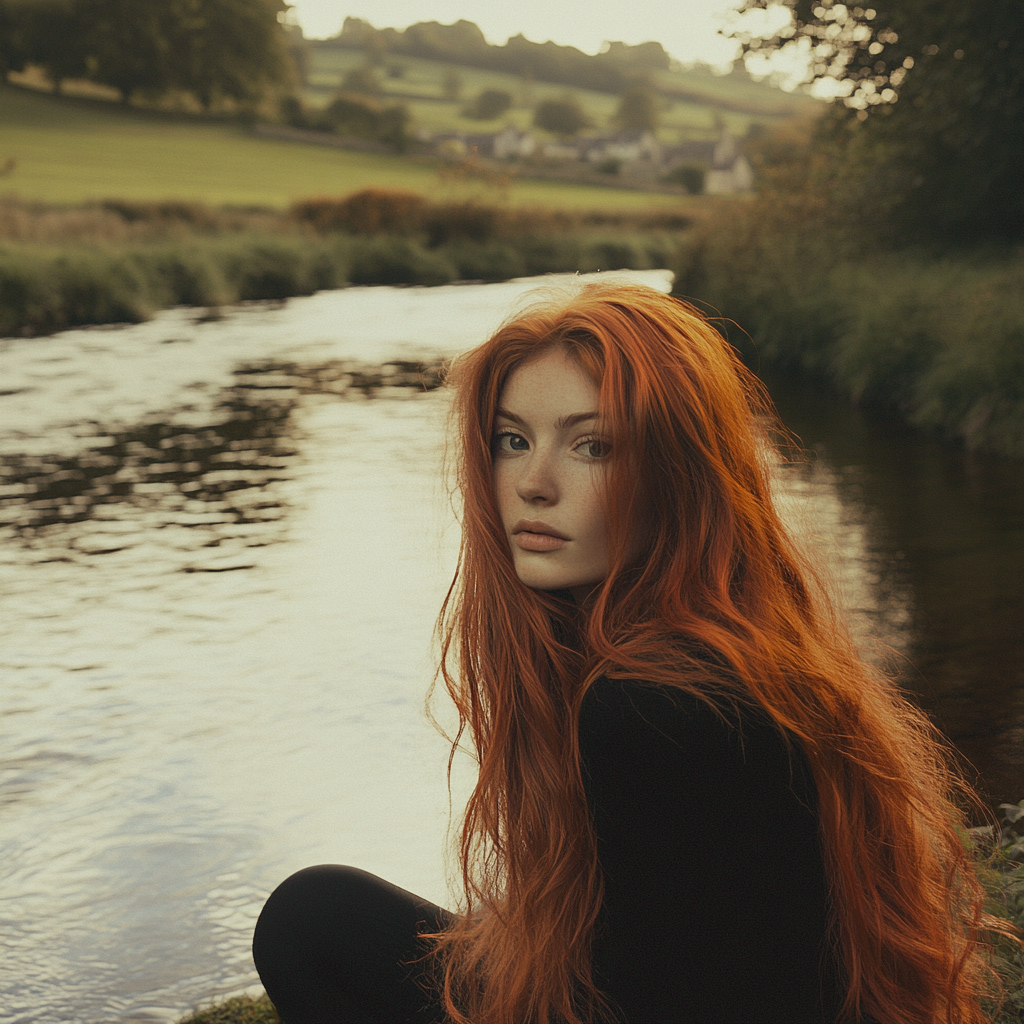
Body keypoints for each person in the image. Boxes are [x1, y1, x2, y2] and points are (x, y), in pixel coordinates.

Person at [253, 283, 1009, 1024]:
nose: (533, 483)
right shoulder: (741, 641)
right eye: (513, 440)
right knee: (332, 919)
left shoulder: (648, 705)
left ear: (680, 475)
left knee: (312, 921)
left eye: (593, 446)